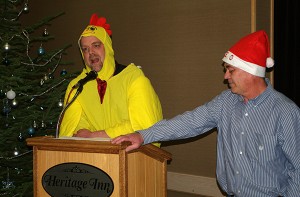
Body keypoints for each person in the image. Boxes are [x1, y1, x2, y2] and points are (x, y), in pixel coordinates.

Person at [112, 30, 300, 196]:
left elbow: (298, 169)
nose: (225, 76)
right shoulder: (225, 102)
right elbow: (190, 122)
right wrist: (143, 136)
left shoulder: (285, 111)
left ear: (249, 72)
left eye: (230, 70)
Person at [59, 13, 162, 147]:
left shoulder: (134, 79)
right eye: (85, 49)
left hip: (133, 157)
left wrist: (95, 135)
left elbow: (143, 127)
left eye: (96, 45)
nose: (91, 53)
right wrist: (89, 135)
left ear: (107, 47)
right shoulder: (78, 86)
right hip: (92, 158)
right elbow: (76, 128)